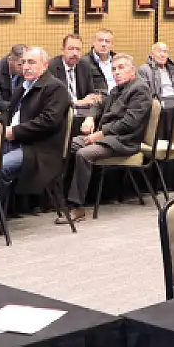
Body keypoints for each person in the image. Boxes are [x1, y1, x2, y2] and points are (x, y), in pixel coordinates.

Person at [0, 47, 69, 237]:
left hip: (40, 150)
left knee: (0, 167)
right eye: (23, 62)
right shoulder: (23, 86)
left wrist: (13, 132)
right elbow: (8, 115)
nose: (26, 67)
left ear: (45, 65)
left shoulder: (55, 88)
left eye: (31, 62)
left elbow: (48, 122)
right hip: (16, 142)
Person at [61, 53, 153, 223]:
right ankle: (64, 197)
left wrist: (99, 134)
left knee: (84, 154)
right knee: (70, 144)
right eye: (114, 69)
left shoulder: (140, 89)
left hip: (125, 141)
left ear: (132, 70)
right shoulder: (117, 89)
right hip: (109, 138)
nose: (116, 72)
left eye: (121, 68)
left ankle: (77, 206)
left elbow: (129, 123)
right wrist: (90, 117)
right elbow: (99, 103)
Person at [44, 33, 100, 100]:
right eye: (71, 49)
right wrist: (76, 103)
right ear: (62, 51)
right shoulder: (51, 67)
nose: (75, 53)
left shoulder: (85, 66)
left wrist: (92, 97)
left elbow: (90, 92)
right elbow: (52, 98)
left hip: (83, 108)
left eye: (78, 49)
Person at [81, 29, 117, 102]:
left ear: (112, 45)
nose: (103, 44)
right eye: (100, 40)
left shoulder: (118, 61)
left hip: (120, 100)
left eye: (107, 41)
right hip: (97, 103)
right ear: (93, 43)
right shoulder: (83, 63)